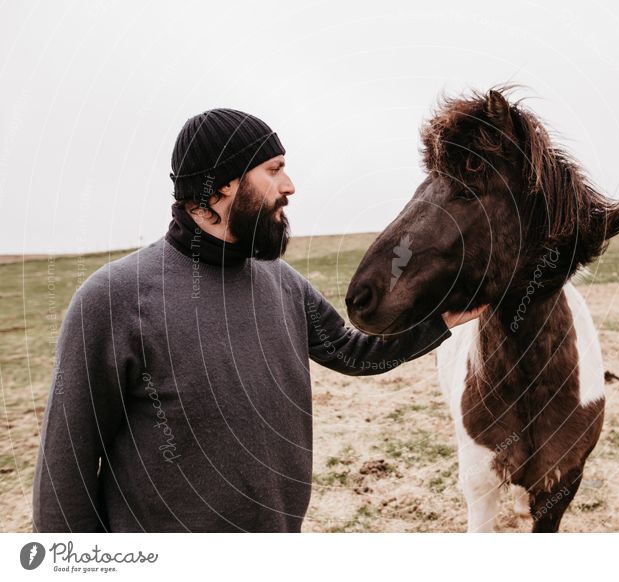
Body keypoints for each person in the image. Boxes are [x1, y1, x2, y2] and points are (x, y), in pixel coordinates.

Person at [32, 109, 484, 532]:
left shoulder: (280, 280)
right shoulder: (114, 298)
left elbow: (352, 351)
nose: (289, 186)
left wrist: (437, 321)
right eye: (273, 169)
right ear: (222, 184)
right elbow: (66, 462)